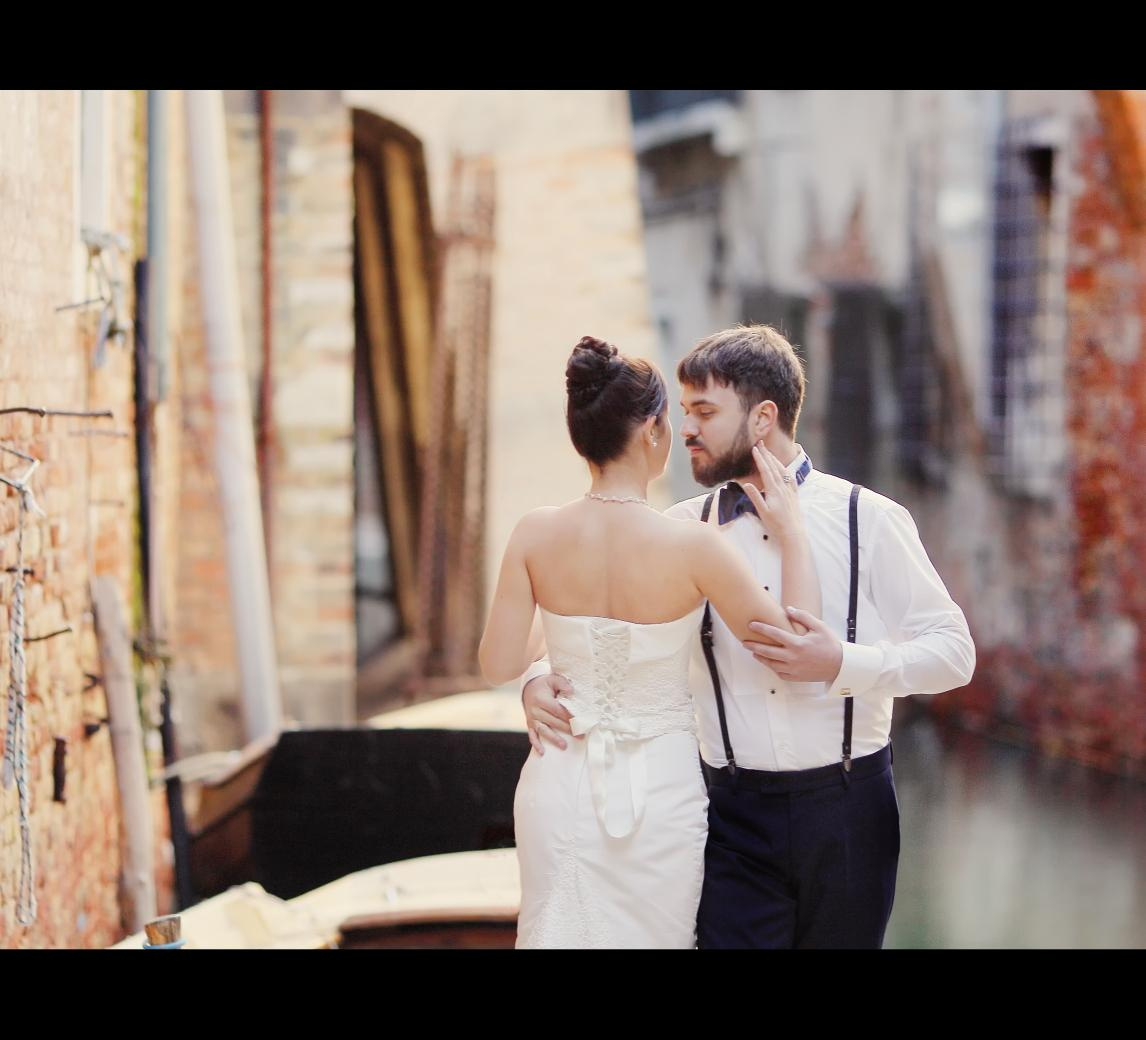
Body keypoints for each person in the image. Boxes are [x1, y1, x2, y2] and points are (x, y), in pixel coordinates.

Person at [521, 324, 976, 948]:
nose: (685, 430)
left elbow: (954, 652)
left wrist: (844, 662)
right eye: (683, 412)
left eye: (704, 412)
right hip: (730, 813)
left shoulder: (866, 518)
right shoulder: (683, 529)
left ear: (763, 418)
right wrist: (532, 682)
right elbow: (593, 627)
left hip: (849, 807)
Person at [479, 335, 821, 948]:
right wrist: (793, 534)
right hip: (660, 795)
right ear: (651, 433)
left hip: (559, 778)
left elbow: (500, 661)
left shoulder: (536, 535)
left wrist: (542, 669)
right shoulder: (693, 547)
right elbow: (797, 650)